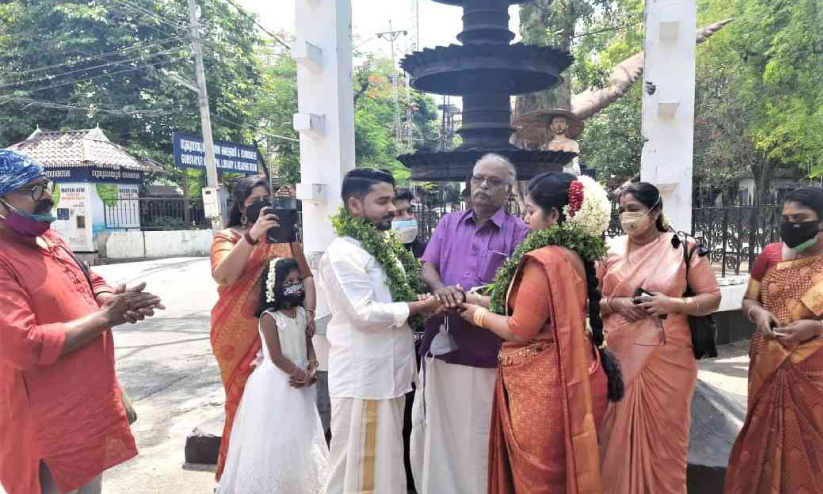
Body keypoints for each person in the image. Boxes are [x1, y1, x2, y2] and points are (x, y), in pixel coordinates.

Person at [0, 150, 164, 494]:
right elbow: (24, 345)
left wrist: (108, 298)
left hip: (87, 408)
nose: (45, 196)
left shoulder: (49, 238)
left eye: (45, 185)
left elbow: (88, 277)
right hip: (45, 424)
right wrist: (106, 317)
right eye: (30, 189)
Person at [458, 172, 623, 493]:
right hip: (574, 371)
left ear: (555, 215)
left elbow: (520, 328)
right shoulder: (572, 254)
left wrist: (477, 315)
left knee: (538, 482)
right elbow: (537, 309)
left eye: (530, 211)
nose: (524, 218)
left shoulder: (544, 260)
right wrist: (480, 300)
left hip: (542, 385)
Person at [411, 153, 530, 494]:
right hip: (442, 340)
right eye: (478, 178)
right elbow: (428, 266)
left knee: (479, 429)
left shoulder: (520, 233)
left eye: (494, 181)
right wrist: (440, 288)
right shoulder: (448, 223)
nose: (483, 186)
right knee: (440, 425)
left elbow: (516, 291)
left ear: (508, 190)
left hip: (488, 349)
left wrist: (476, 301)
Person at [319, 168, 441, 494]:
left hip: (391, 375)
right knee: (360, 468)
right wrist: (418, 308)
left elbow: (391, 301)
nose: (391, 208)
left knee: (385, 466)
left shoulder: (381, 247)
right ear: (355, 205)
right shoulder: (343, 254)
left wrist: (420, 302)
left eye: (392, 200)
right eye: (382, 201)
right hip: (365, 378)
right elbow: (364, 314)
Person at [597, 182, 721, 494]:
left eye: (634, 209)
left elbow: (712, 297)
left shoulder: (684, 247)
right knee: (614, 435)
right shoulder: (609, 250)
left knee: (667, 439)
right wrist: (616, 304)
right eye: (622, 210)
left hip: (669, 357)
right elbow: (588, 301)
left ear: (655, 212)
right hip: (619, 356)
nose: (626, 216)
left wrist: (673, 304)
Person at [210, 176, 316, 480]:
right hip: (239, 334)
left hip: (284, 331)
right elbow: (223, 276)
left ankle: (281, 477)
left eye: (266, 199)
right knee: (243, 405)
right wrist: (253, 236)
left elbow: (306, 276)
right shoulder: (227, 237)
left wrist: (309, 313)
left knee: (283, 406)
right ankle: (237, 478)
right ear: (242, 208)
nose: (263, 205)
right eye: (255, 201)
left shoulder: (285, 235)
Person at [724, 188, 823, 493]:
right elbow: (748, 300)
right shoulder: (770, 255)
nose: (791, 225)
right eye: (786, 218)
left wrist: (816, 327)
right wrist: (759, 314)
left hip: (814, 368)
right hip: (767, 361)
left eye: (800, 218)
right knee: (762, 438)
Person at [217, 258, 328, 494]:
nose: (295, 285)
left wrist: (312, 367)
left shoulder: (301, 313)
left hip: (302, 383)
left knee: (300, 435)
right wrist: (300, 374)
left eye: (297, 281)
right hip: (278, 384)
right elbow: (276, 357)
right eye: (289, 282)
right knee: (277, 437)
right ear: (275, 285)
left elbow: (307, 344)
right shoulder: (269, 317)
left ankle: (296, 485)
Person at [392, 187, 426, 258]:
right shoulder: (376, 255)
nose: (408, 217)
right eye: (398, 213)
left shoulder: (427, 252)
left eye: (410, 211)